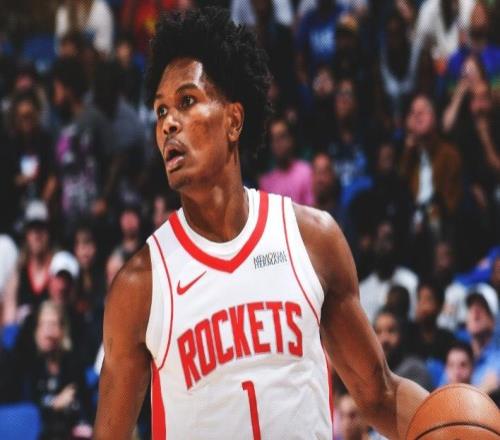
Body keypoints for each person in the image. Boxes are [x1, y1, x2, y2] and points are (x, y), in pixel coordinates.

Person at [94, 8, 428, 439]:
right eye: (160, 111)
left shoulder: (312, 239)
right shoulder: (140, 285)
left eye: (187, 101)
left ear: (233, 120)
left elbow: (380, 395)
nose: (169, 123)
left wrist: (456, 428)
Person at [374, 307, 433, 391]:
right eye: (378, 332)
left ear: (401, 334)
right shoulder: (371, 373)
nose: (384, 339)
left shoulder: (415, 370)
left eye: (391, 331)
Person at [259, 117, 314, 206]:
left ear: (291, 139)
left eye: (282, 137)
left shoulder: (306, 172)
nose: (278, 143)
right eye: (274, 139)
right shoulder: (266, 182)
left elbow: (311, 208)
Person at [464, 286, 500, 392]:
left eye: (482, 307)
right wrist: (484, 389)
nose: (475, 311)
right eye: (471, 306)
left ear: (493, 320)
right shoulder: (456, 357)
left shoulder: (498, 361)